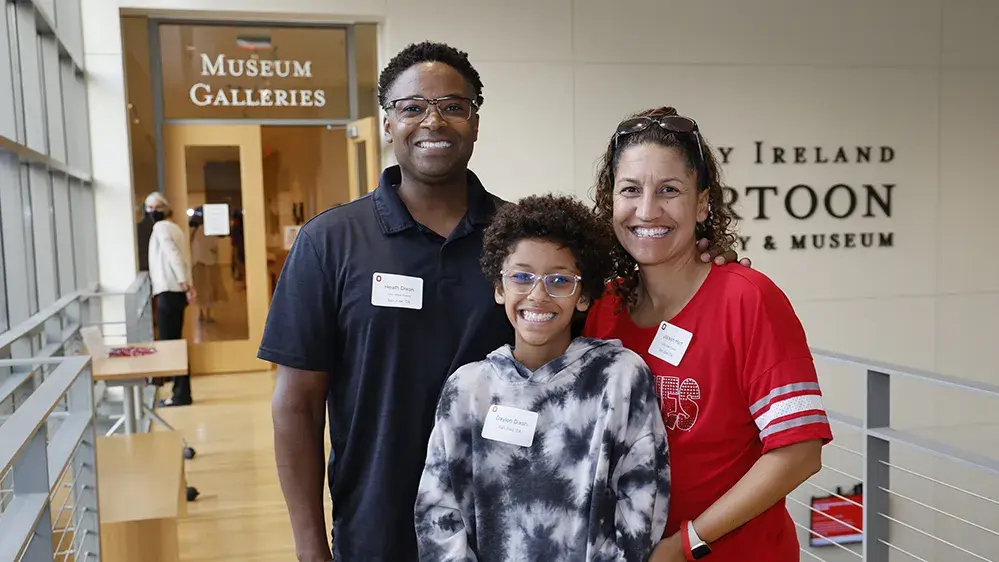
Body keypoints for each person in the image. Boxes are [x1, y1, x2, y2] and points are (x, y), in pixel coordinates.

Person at [259, 42, 743, 562]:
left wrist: (696, 260)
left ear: (474, 121)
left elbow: (596, 302)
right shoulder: (330, 242)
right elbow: (296, 403)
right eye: (412, 107)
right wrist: (310, 546)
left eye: (452, 106)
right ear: (386, 121)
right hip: (375, 529)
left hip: (506, 534)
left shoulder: (521, 240)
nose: (433, 121)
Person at [584, 107, 833, 562]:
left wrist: (685, 545)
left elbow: (799, 451)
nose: (646, 210)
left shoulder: (747, 298)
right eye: (630, 190)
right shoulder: (603, 308)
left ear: (702, 204)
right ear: (611, 201)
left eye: (669, 191)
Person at [414, 194, 670, 561]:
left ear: (583, 296)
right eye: (521, 277)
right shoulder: (468, 390)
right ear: (500, 288)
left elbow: (643, 502)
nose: (538, 294)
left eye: (560, 280)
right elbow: (439, 512)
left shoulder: (619, 378)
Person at [144, 192, 196, 407]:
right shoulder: (175, 227)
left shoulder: (161, 228)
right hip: (176, 292)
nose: (152, 211)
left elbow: (175, 256)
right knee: (175, 343)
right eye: (149, 207)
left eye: (156, 207)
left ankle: (179, 394)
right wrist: (187, 286)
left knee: (171, 344)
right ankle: (180, 392)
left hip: (169, 290)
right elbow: (184, 259)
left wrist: (185, 284)